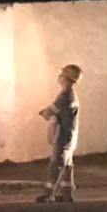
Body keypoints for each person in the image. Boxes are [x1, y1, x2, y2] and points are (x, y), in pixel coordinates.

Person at [36, 64, 82, 203]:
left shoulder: (65, 95)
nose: (59, 76)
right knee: (67, 165)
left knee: (57, 164)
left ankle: (48, 193)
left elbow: (51, 111)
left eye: (62, 74)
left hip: (62, 136)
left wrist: (44, 112)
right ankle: (67, 193)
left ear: (67, 78)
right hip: (70, 136)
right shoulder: (71, 95)